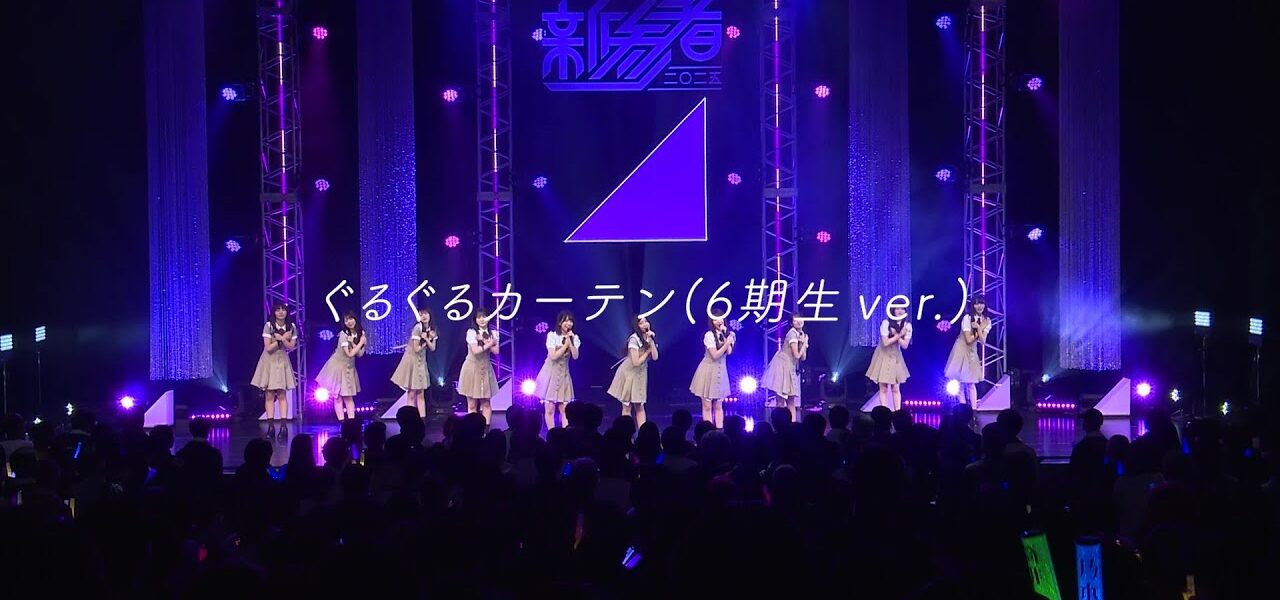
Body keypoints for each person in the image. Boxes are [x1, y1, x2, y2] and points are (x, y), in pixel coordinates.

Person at [251, 302, 298, 438]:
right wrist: (281, 340)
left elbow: (291, 346)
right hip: (269, 361)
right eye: (278, 310)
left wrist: (282, 339)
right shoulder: (269, 326)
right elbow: (268, 347)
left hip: (282, 360)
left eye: (283, 310)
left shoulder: (291, 327)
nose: (281, 312)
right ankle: (270, 427)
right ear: (274, 312)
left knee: (282, 394)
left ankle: (284, 427)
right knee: (269, 395)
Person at [607, 315, 658, 427]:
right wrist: (647, 352)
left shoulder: (649, 337)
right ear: (636, 326)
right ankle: (626, 432)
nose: (645, 324)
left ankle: (643, 432)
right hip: (629, 373)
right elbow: (636, 362)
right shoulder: (634, 339)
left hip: (640, 374)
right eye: (641, 323)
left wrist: (651, 342)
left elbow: (655, 357)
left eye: (646, 321)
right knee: (627, 406)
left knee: (640, 405)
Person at [316, 311, 367, 421]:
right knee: (338, 396)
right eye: (346, 320)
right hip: (337, 367)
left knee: (348, 396)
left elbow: (360, 354)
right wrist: (360, 343)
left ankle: (351, 422)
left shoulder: (360, 333)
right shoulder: (343, 334)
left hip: (349, 368)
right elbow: (350, 354)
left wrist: (354, 343)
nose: (349, 322)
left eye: (351, 319)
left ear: (355, 319)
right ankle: (342, 422)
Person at [535, 311, 581, 430]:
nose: (568, 323)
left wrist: (570, 342)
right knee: (550, 409)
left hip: (564, 376)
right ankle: (552, 434)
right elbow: (553, 356)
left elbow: (575, 356)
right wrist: (565, 346)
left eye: (570, 321)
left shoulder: (574, 338)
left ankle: (565, 434)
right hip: (550, 375)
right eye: (565, 320)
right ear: (560, 322)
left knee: (564, 410)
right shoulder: (552, 336)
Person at [943, 295, 991, 406]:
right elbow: (968, 340)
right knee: (960, 382)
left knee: (971, 383)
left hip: (972, 351)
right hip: (961, 349)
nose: (979, 306)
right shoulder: (967, 318)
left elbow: (983, 341)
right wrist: (980, 328)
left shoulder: (987, 320)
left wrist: (979, 327)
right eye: (976, 303)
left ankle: (974, 409)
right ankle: (963, 407)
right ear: (973, 305)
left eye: (982, 303)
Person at [391, 307, 437, 418]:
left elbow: (433, 348)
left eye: (426, 314)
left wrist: (427, 339)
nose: (424, 316)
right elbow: (416, 349)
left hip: (421, 362)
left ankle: (422, 420)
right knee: (411, 393)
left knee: (421, 393)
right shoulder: (417, 328)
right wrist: (426, 340)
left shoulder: (432, 329)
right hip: (412, 361)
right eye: (421, 314)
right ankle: (410, 419)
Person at [761, 314, 808, 422]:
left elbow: (803, 357)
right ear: (791, 323)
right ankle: (780, 424)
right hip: (782, 365)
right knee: (781, 400)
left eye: (800, 319)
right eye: (795, 321)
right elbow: (797, 355)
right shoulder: (792, 333)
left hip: (790, 366)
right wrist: (804, 342)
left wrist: (802, 343)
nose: (799, 322)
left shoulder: (802, 335)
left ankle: (793, 424)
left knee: (791, 399)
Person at [690, 317, 734, 428]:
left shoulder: (728, 335)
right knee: (707, 406)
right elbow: (715, 355)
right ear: (711, 322)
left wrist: (726, 337)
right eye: (715, 320)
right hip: (708, 371)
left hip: (721, 371)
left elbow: (729, 352)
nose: (719, 321)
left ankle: (719, 430)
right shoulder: (709, 335)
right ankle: (708, 431)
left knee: (719, 406)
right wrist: (726, 343)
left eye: (721, 319)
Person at [458, 308, 500, 424]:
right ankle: (472, 428)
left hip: (486, 369)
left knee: (486, 403)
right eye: (479, 317)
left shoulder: (493, 333)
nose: (482, 319)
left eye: (484, 317)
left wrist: (486, 341)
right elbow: (476, 351)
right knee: (472, 404)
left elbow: (496, 351)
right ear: (475, 320)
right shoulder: (471, 332)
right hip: (471, 368)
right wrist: (490, 343)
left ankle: (485, 429)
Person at [865, 305, 912, 410]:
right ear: (892, 310)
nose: (900, 311)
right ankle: (884, 412)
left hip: (896, 357)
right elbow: (886, 342)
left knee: (896, 388)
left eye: (902, 309)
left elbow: (905, 345)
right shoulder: (886, 323)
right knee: (884, 388)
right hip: (883, 355)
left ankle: (897, 412)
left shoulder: (907, 326)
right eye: (897, 308)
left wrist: (897, 334)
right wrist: (899, 334)